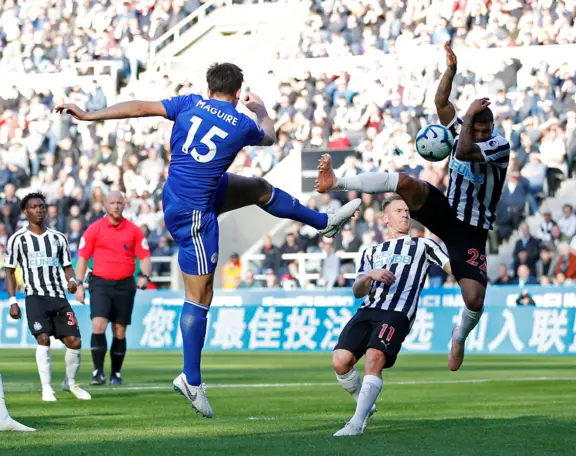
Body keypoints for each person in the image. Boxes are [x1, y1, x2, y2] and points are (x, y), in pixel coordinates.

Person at [56, 62, 360, 417]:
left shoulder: (188, 104)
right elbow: (269, 136)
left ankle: (322, 222)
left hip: (180, 193)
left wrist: (90, 115)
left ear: (208, 87)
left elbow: (139, 107)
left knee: (260, 188)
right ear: (237, 92)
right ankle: (191, 379)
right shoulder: (243, 123)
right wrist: (259, 108)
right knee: (200, 296)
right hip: (195, 214)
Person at [317, 41, 509, 373]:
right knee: (406, 182)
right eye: (476, 129)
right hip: (447, 210)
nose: (480, 134)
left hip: (472, 229)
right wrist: (450, 70)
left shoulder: (498, 145)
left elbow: (463, 151)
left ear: (490, 130)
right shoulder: (464, 130)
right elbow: (440, 102)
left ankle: (459, 336)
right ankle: (338, 182)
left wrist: (467, 123)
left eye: (483, 130)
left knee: (474, 299)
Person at [332, 196, 451, 436]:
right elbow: (357, 291)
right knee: (340, 361)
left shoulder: (423, 245)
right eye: (399, 210)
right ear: (385, 218)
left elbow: (450, 267)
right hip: (368, 309)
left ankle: (356, 423)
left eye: (407, 210)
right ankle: (365, 404)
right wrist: (369, 275)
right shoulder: (371, 251)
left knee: (374, 357)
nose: (405, 214)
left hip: (398, 312)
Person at [4, 193, 91, 402]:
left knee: (75, 341)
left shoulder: (58, 238)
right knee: (43, 339)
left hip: (58, 297)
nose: (39, 210)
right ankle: (46, 388)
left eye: (42, 206)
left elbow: (67, 267)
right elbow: (9, 270)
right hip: (35, 297)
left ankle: (71, 383)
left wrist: (71, 282)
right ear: (25, 212)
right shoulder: (17, 239)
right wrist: (13, 301)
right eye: (34, 207)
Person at [75, 191, 152, 386]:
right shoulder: (94, 229)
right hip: (100, 283)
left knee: (119, 330)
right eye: (112, 202)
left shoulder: (134, 230)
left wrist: (144, 276)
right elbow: (83, 258)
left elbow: (144, 257)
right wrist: (79, 285)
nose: (116, 206)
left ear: (124, 205)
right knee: (98, 325)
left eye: (119, 202)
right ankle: (98, 372)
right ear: (105, 206)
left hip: (125, 284)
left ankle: (116, 374)